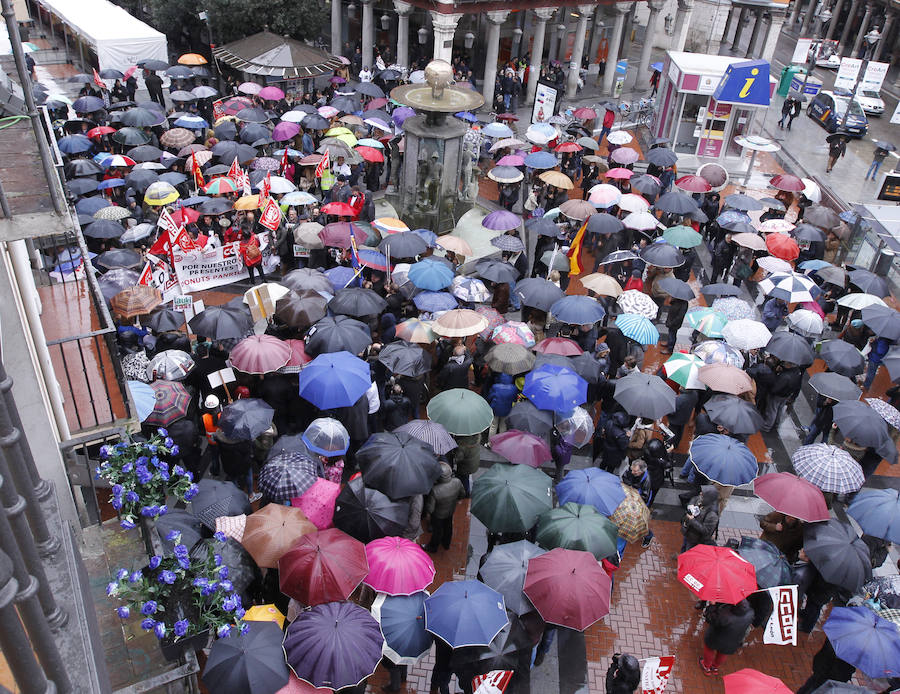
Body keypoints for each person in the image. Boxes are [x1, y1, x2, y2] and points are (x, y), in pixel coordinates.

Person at [698, 600, 754, 675]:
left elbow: (710, 618)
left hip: (717, 637)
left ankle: (706, 666)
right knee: (723, 653)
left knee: (709, 648)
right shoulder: (751, 613)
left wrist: (712, 606)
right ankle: (714, 667)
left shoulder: (725, 615)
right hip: (733, 640)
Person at [423, 462, 465, 553]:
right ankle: (446, 543)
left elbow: (430, 508)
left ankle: (433, 546)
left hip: (438, 514)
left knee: (437, 531)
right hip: (451, 510)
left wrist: (428, 514)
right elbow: (462, 494)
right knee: (448, 526)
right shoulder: (457, 482)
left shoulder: (435, 490)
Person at [680, 486, 719, 551]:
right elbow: (694, 499)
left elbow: (706, 531)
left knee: (689, 551)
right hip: (688, 533)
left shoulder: (712, 515)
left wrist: (692, 520)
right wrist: (690, 505)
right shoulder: (702, 500)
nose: (700, 494)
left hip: (695, 539)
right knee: (684, 546)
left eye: (703, 494)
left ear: (708, 498)